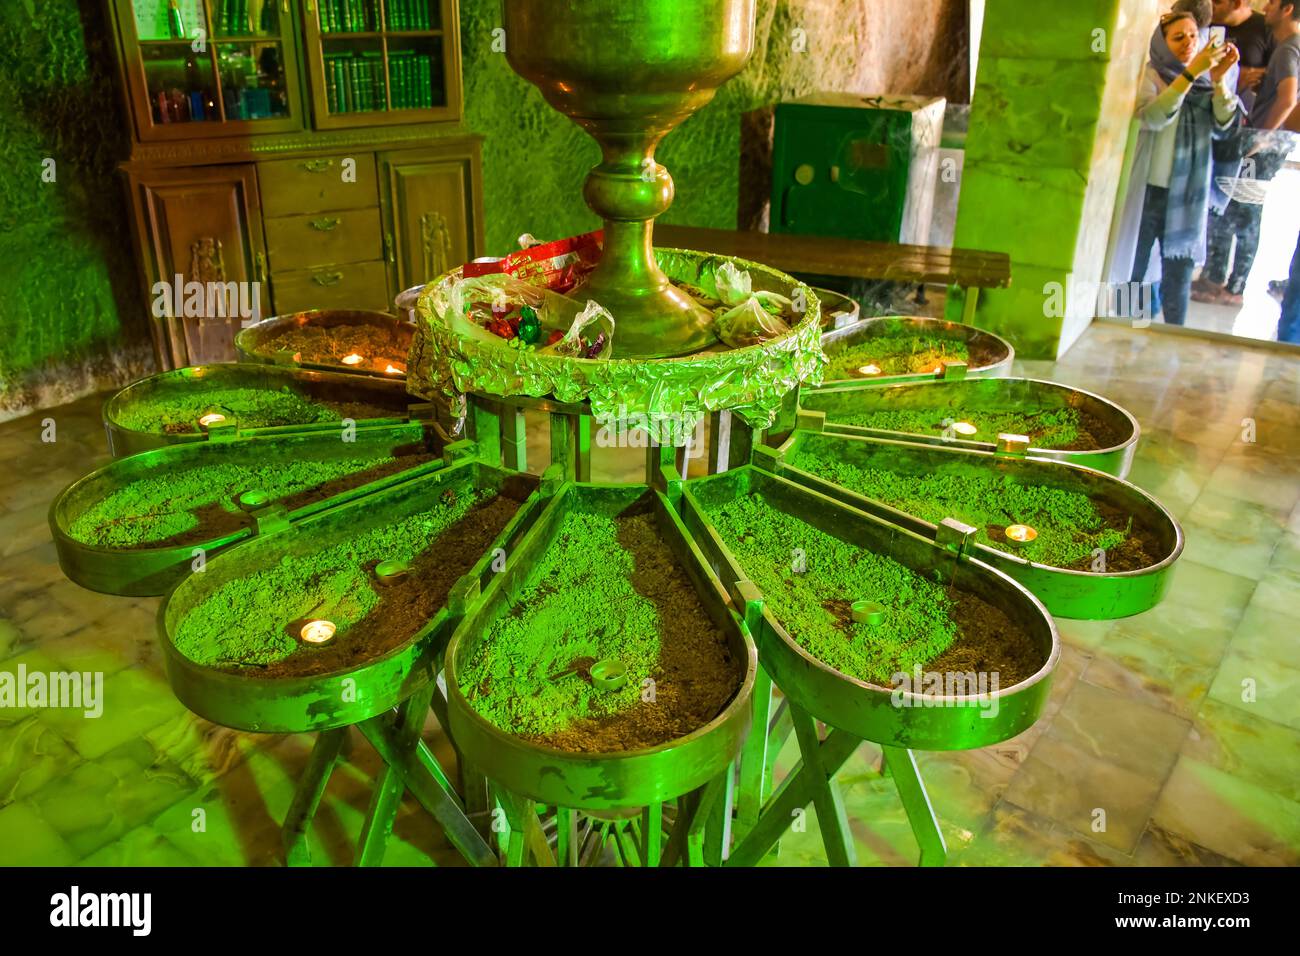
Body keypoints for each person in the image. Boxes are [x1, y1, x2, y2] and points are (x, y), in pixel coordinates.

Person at [1110, 11, 1242, 326]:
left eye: (1193, 36)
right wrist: (1190, 75)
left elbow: (1225, 125)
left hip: (1187, 199)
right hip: (1146, 193)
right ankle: (1129, 337)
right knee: (1135, 272)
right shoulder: (1150, 75)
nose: (1188, 44)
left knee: (1178, 280)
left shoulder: (1206, 83)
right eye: (1178, 37)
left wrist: (1219, 81)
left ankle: (1172, 346)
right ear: (1162, 43)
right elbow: (1153, 117)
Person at [1196, 0, 1300, 305]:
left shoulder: (1287, 49)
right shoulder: (1288, 47)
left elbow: (1287, 98)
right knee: (1239, 207)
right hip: (1269, 141)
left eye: (1271, 3)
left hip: (1264, 144)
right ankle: (1222, 282)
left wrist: (1260, 139)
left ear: (1287, 9)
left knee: (1244, 210)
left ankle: (1232, 288)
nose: (1264, 7)